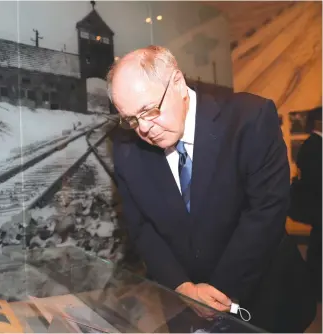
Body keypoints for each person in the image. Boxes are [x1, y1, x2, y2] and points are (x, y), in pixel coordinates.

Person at [109, 45, 316, 332]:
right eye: (131, 119)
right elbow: (142, 227)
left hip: (266, 300)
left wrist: (219, 289)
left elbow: (266, 211)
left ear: (178, 83)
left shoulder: (250, 118)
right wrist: (181, 286)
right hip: (185, 303)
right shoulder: (126, 150)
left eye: (149, 110)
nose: (143, 128)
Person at [290, 106, 322, 302]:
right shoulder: (314, 145)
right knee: (318, 249)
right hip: (317, 207)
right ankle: (316, 289)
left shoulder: (314, 144)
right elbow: (315, 179)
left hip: (316, 206)